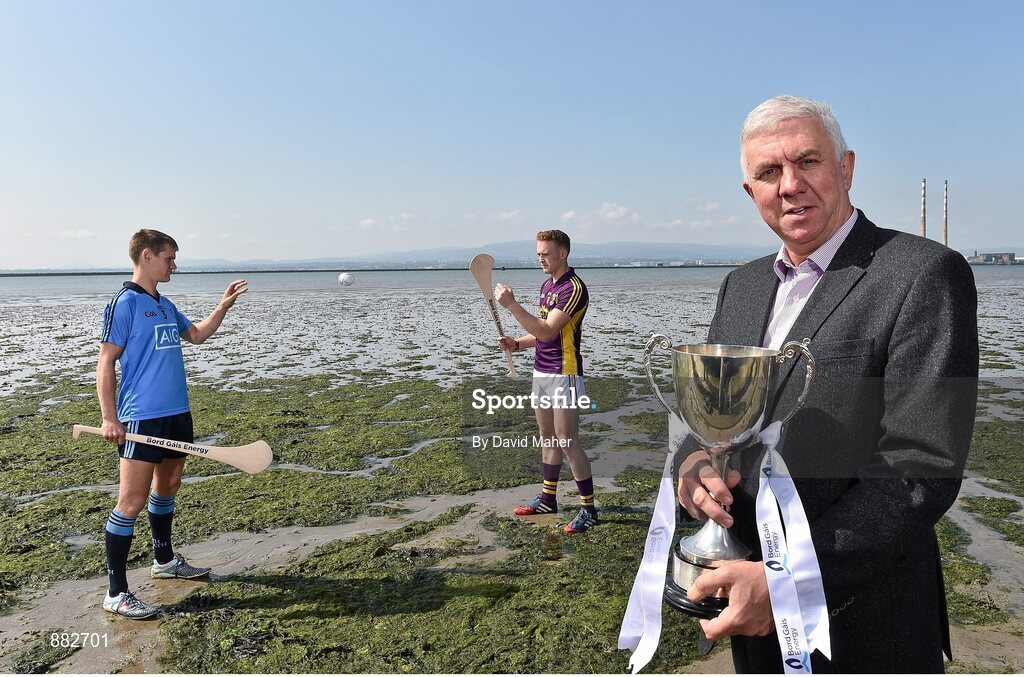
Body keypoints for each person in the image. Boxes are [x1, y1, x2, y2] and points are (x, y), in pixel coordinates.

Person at [675, 95, 978, 672]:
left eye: (807, 162)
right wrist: (691, 474)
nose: (789, 185)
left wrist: (791, 581)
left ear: (846, 167)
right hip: (747, 605)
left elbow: (922, 465)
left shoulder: (922, 273)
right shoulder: (739, 287)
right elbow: (706, 426)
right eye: (768, 172)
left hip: (867, 622)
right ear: (751, 192)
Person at [96, 229, 248, 619]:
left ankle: (163, 561)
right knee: (130, 501)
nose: (174, 265)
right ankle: (116, 593)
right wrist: (110, 418)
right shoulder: (124, 303)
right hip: (141, 416)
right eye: (169, 258)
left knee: (169, 486)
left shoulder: (164, 304)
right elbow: (105, 363)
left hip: (176, 413)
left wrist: (223, 307)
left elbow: (195, 336)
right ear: (147, 256)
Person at [495, 229, 598, 534]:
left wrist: (512, 305)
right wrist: (517, 344)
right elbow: (539, 336)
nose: (540, 258)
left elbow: (548, 331)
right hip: (542, 370)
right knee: (547, 437)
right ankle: (548, 499)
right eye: (538, 253)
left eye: (545, 253)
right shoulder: (546, 286)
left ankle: (588, 510)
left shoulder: (574, 288)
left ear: (562, 253)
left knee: (567, 441)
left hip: (565, 372)